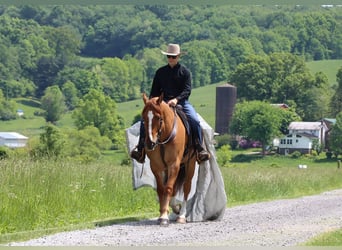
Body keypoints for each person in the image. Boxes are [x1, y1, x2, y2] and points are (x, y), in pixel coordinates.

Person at [130, 43, 210, 164]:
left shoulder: (185, 72)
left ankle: (199, 148)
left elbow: (187, 90)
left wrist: (176, 99)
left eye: (173, 57)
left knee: (194, 120)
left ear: (178, 57)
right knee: (144, 122)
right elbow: (154, 92)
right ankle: (141, 149)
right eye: (169, 56)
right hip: (162, 103)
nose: (171, 59)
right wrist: (154, 103)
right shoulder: (160, 72)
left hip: (181, 102)